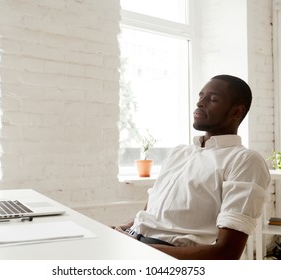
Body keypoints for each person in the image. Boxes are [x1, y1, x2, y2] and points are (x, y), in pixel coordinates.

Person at [112, 74, 270, 260]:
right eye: (200, 96)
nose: (200, 103)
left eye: (212, 99)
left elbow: (226, 253)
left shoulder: (245, 160)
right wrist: (120, 230)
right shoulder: (179, 152)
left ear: (237, 112)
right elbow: (150, 214)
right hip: (132, 241)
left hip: (161, 256)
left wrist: (139, 250)